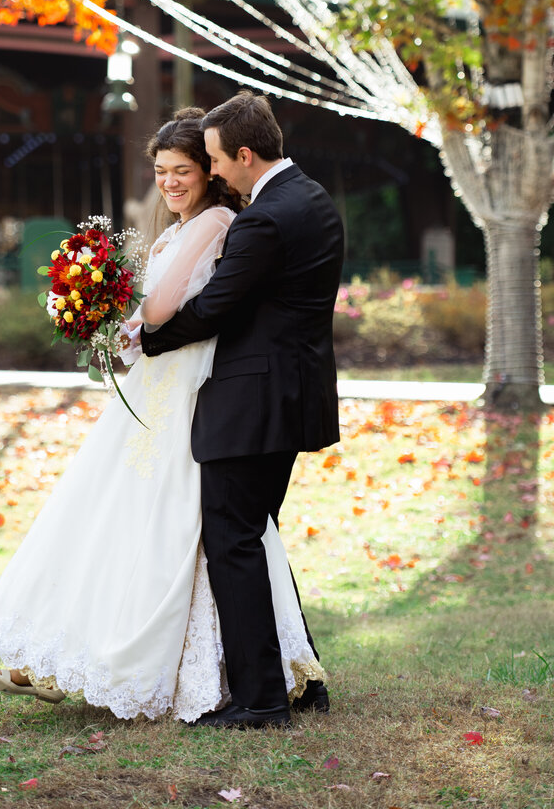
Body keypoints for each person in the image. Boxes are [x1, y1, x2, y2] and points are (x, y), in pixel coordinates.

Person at [0, 107, 325, 721]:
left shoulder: (220, 220)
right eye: (161, 171)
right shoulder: (185, 227)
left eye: (187, 168)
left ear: (218, 169)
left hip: (191, 391)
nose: (173, 181)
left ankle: (234, 678)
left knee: (194, 531)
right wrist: (109, 317)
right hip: (164, 385)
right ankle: (70, 653)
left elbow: (168, 308)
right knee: (127, 521)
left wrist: (108, 301)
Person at [140, 91, 344, 729]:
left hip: (251, 399)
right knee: (257, 536)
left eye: (215, 161)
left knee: (232, 539)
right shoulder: (313, 199)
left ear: (245, 154)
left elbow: (216, 306)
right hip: (293, 392)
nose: (213, 172)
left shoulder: (263, 218)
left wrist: (145, 339)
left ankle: (259, 700)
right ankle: (298, 678)